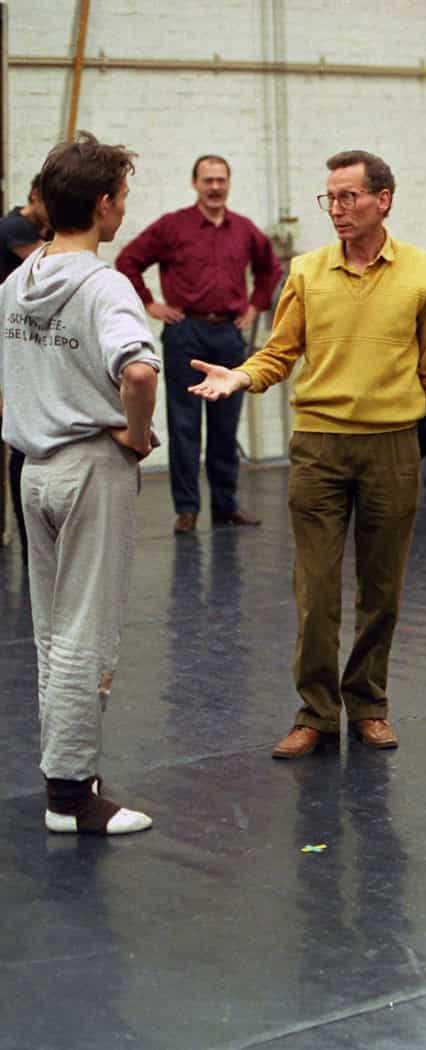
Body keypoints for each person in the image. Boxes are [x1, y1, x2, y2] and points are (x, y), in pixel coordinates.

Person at [187, 149, 426, 759]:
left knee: (382, 591)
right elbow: (280, 353)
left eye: (348, 197)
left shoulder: (422, 272)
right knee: (314, 591)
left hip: (393, 446)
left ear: (382, 200)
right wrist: (241, 376)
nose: (335, 209)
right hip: (318, 448)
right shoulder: (307, 271)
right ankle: (315, 712)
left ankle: (368, 705)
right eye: (329, 198)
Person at [1, 133, 158, 833]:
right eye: (121, 197)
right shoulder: (104, 286)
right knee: (84, 635)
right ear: (102, 205)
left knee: (52, 633)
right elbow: (139, 372)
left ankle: (70, 773)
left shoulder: (17, 282)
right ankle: (69, 797)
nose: (123, 207)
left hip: (33, 471)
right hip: (89, 467)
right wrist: (138, 434)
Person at [116, 155, 282, 535]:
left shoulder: (244, 229)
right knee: (184, 425)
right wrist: (151, 305)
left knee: (225, 426)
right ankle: (187, 510)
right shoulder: (173, 226)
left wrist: (255, 307)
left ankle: (225, 506)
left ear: (229, 183)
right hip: (185, 333)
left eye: (221, 180)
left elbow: (270, 269)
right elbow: (128, 260)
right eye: (208, 180)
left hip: (227, 335)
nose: (215, 187)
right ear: (195, 183)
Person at [1, 173, 52, 558]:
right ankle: (27, 537)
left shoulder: (34, 229)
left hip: (18, 341)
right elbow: (52, 268)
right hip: (12, 341)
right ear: (34, 195)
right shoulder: (15, 226)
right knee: (19, 437)